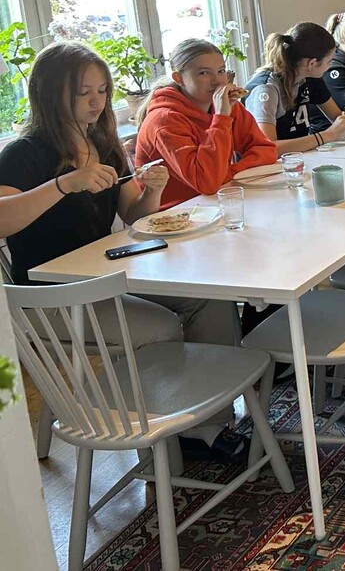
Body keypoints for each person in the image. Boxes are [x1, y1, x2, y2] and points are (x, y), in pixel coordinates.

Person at [0, 43, 247, 459]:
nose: (96, 101)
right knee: (161, 327)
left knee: (211, 297)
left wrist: (153, 190)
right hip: (52, 297)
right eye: (83, 92)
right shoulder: (24, 153)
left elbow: (134, 216)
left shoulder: (103, 142)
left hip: (106, 276)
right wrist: (64, 184)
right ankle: (158, 432)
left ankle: (207, 424)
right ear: (50, 93)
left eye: (102, 90)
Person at [136, 39, 277, 209]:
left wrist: (227, 174)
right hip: (177, 215)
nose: (217, 81)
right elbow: (207, 183)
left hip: (217, 203)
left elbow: (266, 150)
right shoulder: (164, 120)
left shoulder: (226, 106)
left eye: (221, 71)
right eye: (203, 73)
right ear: (179, 78)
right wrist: (221, 118)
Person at [244, 22, 345, 153]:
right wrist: (327, 135)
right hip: (265, 162)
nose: (330, 66)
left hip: (297, 157)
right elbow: (268, 147)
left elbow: (336, 117)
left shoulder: (310, 77)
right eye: (329, 61)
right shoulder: (266, 88)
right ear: (312, 63)